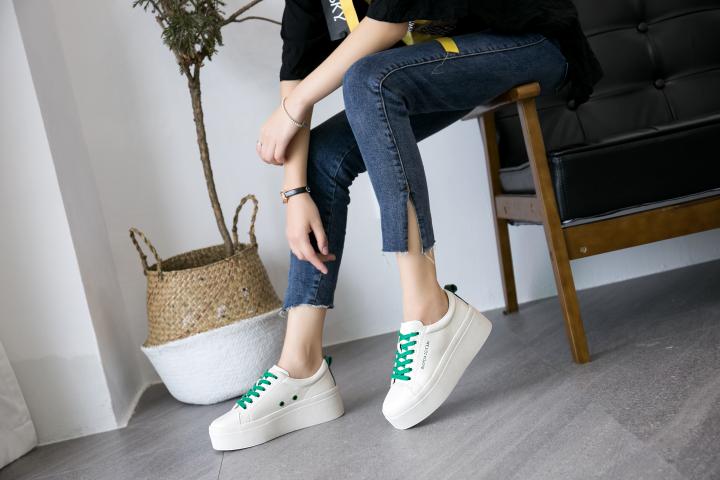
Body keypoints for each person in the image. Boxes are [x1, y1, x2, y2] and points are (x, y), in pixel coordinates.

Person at [208, 0, 603, 451]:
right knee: (324, 153)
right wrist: (294, 191)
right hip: (444, 60)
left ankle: (430, 311)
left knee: (370, 79)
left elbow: (387, 25)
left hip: (531, 41)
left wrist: (295, 106)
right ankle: (301, 368)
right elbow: (295, 73)